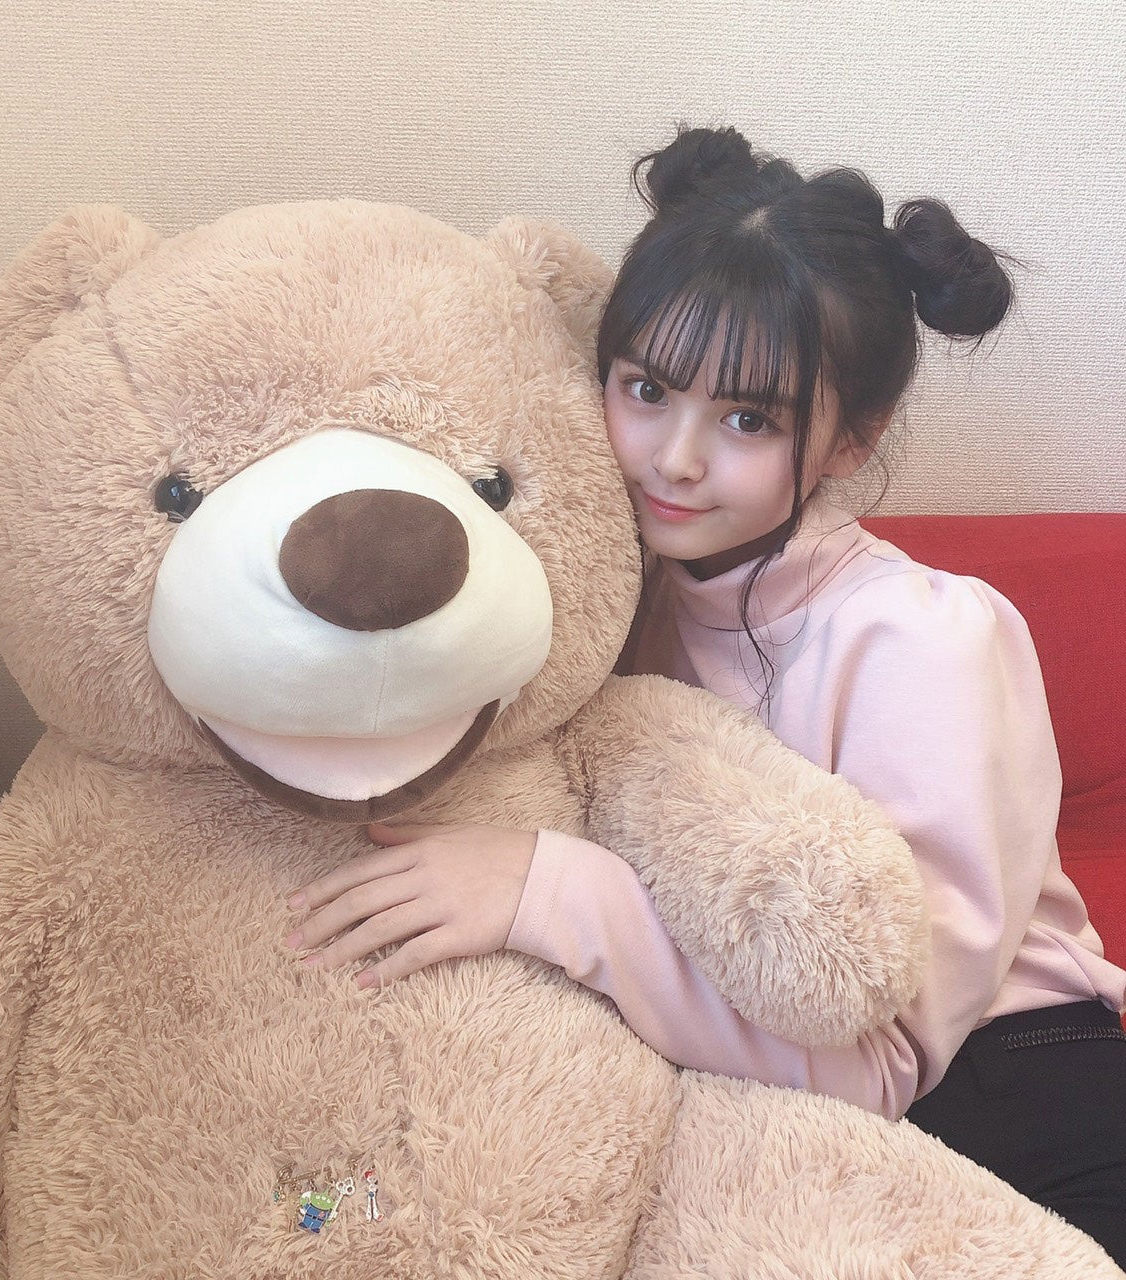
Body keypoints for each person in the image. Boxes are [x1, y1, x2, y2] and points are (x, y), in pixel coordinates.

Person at [283, 126, 1126, 1259]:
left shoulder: (922, 639)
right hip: (729, 1090)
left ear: (851, 438)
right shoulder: (603, 594)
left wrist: (545, 890)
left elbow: (881, 1061)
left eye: (747, 419)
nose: (674, 458)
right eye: (645, 388)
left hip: (1008, 1088)